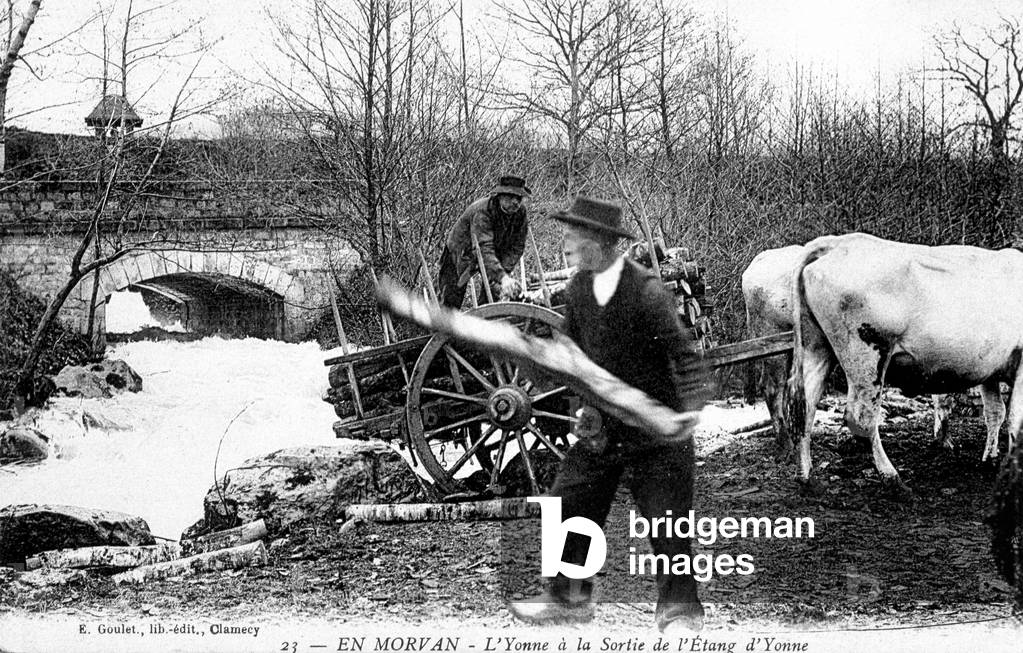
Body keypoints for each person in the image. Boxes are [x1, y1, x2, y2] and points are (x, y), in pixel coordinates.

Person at [507, 196, 708, 633]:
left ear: (598, 241)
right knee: (569, 501)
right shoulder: (580, 289)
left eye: (572, 236)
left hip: (658, 435)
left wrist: (689, 413)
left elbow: (687, 358)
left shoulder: (645, 291)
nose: (564, 244)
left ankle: (680, 613)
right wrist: (577, 403)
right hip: (604, 430)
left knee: (666, 524)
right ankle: (568, 599)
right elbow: (576, 360)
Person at [437, 175, 531, 308]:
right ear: (500, 196)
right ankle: (445, 319)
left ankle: (483, 317)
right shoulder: (483, 212)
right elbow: (483, 248)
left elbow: (517, 246)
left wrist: (503, 273)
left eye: (519, 198)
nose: (516, 202)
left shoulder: (520, 213)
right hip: (462, 251)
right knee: (451, 297)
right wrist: (502, 277)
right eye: (511, 197)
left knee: (493, 294)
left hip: (494, 252)